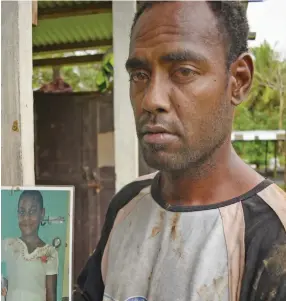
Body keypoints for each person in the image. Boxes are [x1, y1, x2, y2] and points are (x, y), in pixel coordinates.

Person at [73, 1, 286, 301]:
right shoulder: (128, 204)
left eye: (183, 71)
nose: (151, 99)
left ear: (238, 81)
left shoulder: (273, 236)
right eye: (140, 75)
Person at [1, 190, 58, 301]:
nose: (26, 217)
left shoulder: (50, 253)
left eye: (32, 211)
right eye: (22, 212)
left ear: (42, 213)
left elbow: (51, 296)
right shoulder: (7, 245)